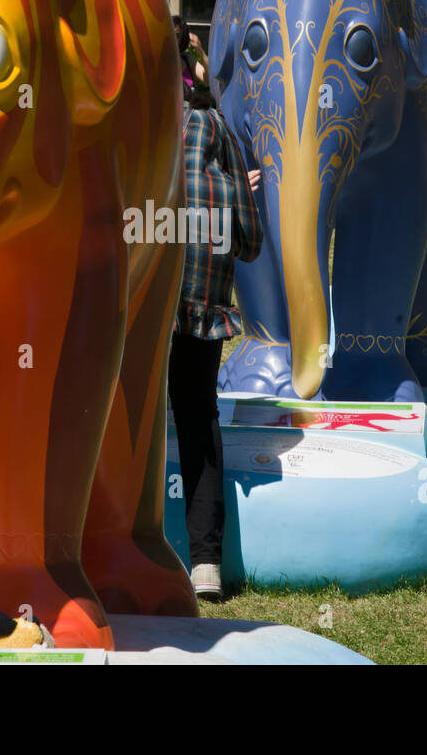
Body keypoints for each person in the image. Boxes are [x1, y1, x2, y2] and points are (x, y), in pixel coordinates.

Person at [169, 84, 262, 601]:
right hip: (202, 313)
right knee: (198, 422)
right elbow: (251, 246)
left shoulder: (148, 138)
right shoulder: (225, 159)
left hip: (146, 310)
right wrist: (238, 194)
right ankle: (206, 564)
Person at [172, 15, 209, 101]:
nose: (172, 38)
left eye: (177, 35)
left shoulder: (188, 60)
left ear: (182, 38)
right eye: (169, 33)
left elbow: (208, 81)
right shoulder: (157, 60)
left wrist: (200, 51)